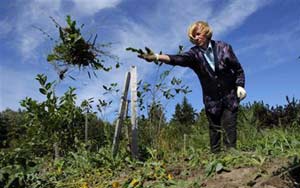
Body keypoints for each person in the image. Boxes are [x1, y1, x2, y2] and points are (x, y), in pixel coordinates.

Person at [137, 21, 246, 153]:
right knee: (214, 130)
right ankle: (216, 161)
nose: (195, 38)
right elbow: (177, 59)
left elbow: (238, 69)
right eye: (193, 36)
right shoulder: (194, 54)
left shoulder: (224, 47)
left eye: (198, 34)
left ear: (206, 32)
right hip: (211, 100)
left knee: (229, 128)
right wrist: (156, 57)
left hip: (229, 96)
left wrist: (240, 85)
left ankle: (233, 157)